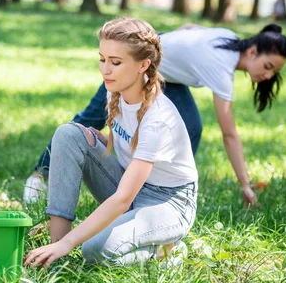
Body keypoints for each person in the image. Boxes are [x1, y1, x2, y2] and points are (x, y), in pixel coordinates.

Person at [24, 23, 286, 207]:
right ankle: (39, 175)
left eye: (273, 72)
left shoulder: (228, 37)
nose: (267, 76)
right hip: (136, 64)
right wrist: (245, 184)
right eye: (267, 66)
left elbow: (188, 28)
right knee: (90, 119)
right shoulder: (222, 68)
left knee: (191, 128)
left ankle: (165, 186)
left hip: (167, 73)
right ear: (253, 51)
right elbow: (229, 134)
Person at [24, 17, 198, 268]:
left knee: (96, 250)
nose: (105, 69)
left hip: (168, 202)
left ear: (143, 65)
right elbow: (127, 140)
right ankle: (53, 253)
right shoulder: (115, 90)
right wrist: (98, 141)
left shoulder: (159, 118)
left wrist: (71, 244)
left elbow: (123, 199)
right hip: (132, 183)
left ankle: (166, 251)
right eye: (102, 59)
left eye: (115, 62)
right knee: (68, 133)